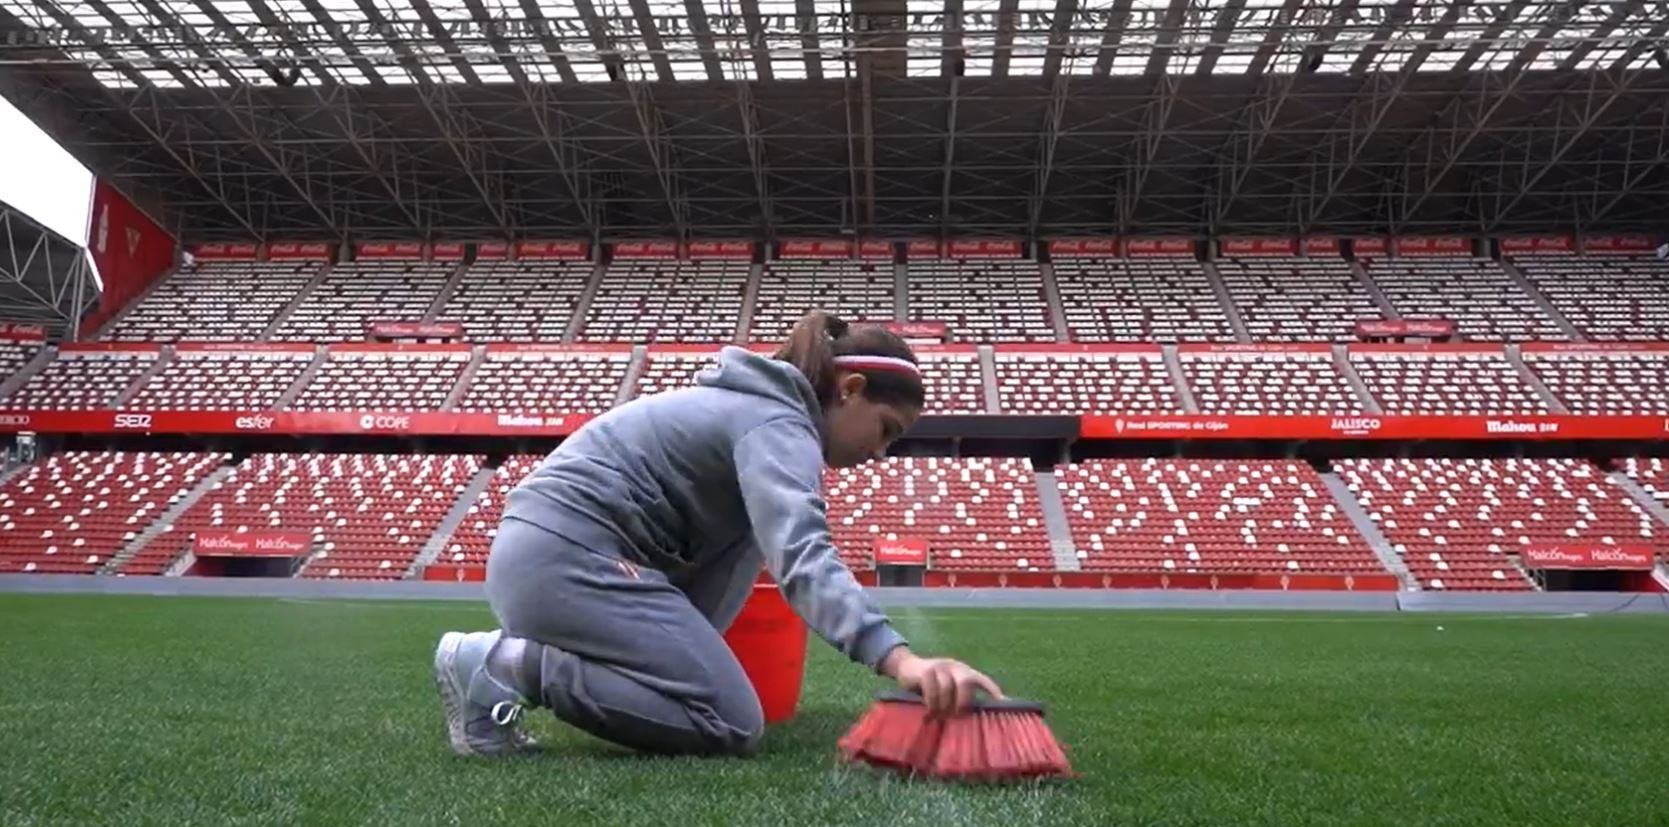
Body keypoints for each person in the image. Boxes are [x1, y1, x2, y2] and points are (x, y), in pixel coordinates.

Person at [433, 310, 1003, 758]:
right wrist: (900, 660)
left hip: (552, 558)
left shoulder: (756, 412)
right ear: (850, 388)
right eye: (886, 430)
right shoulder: (779, 423)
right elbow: (802, 555)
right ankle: (503, 662)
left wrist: (694, 661)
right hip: (566, 558)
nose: (879, 452)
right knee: (729, 720)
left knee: (719, 674)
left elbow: (744, 563)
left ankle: (500, 685)